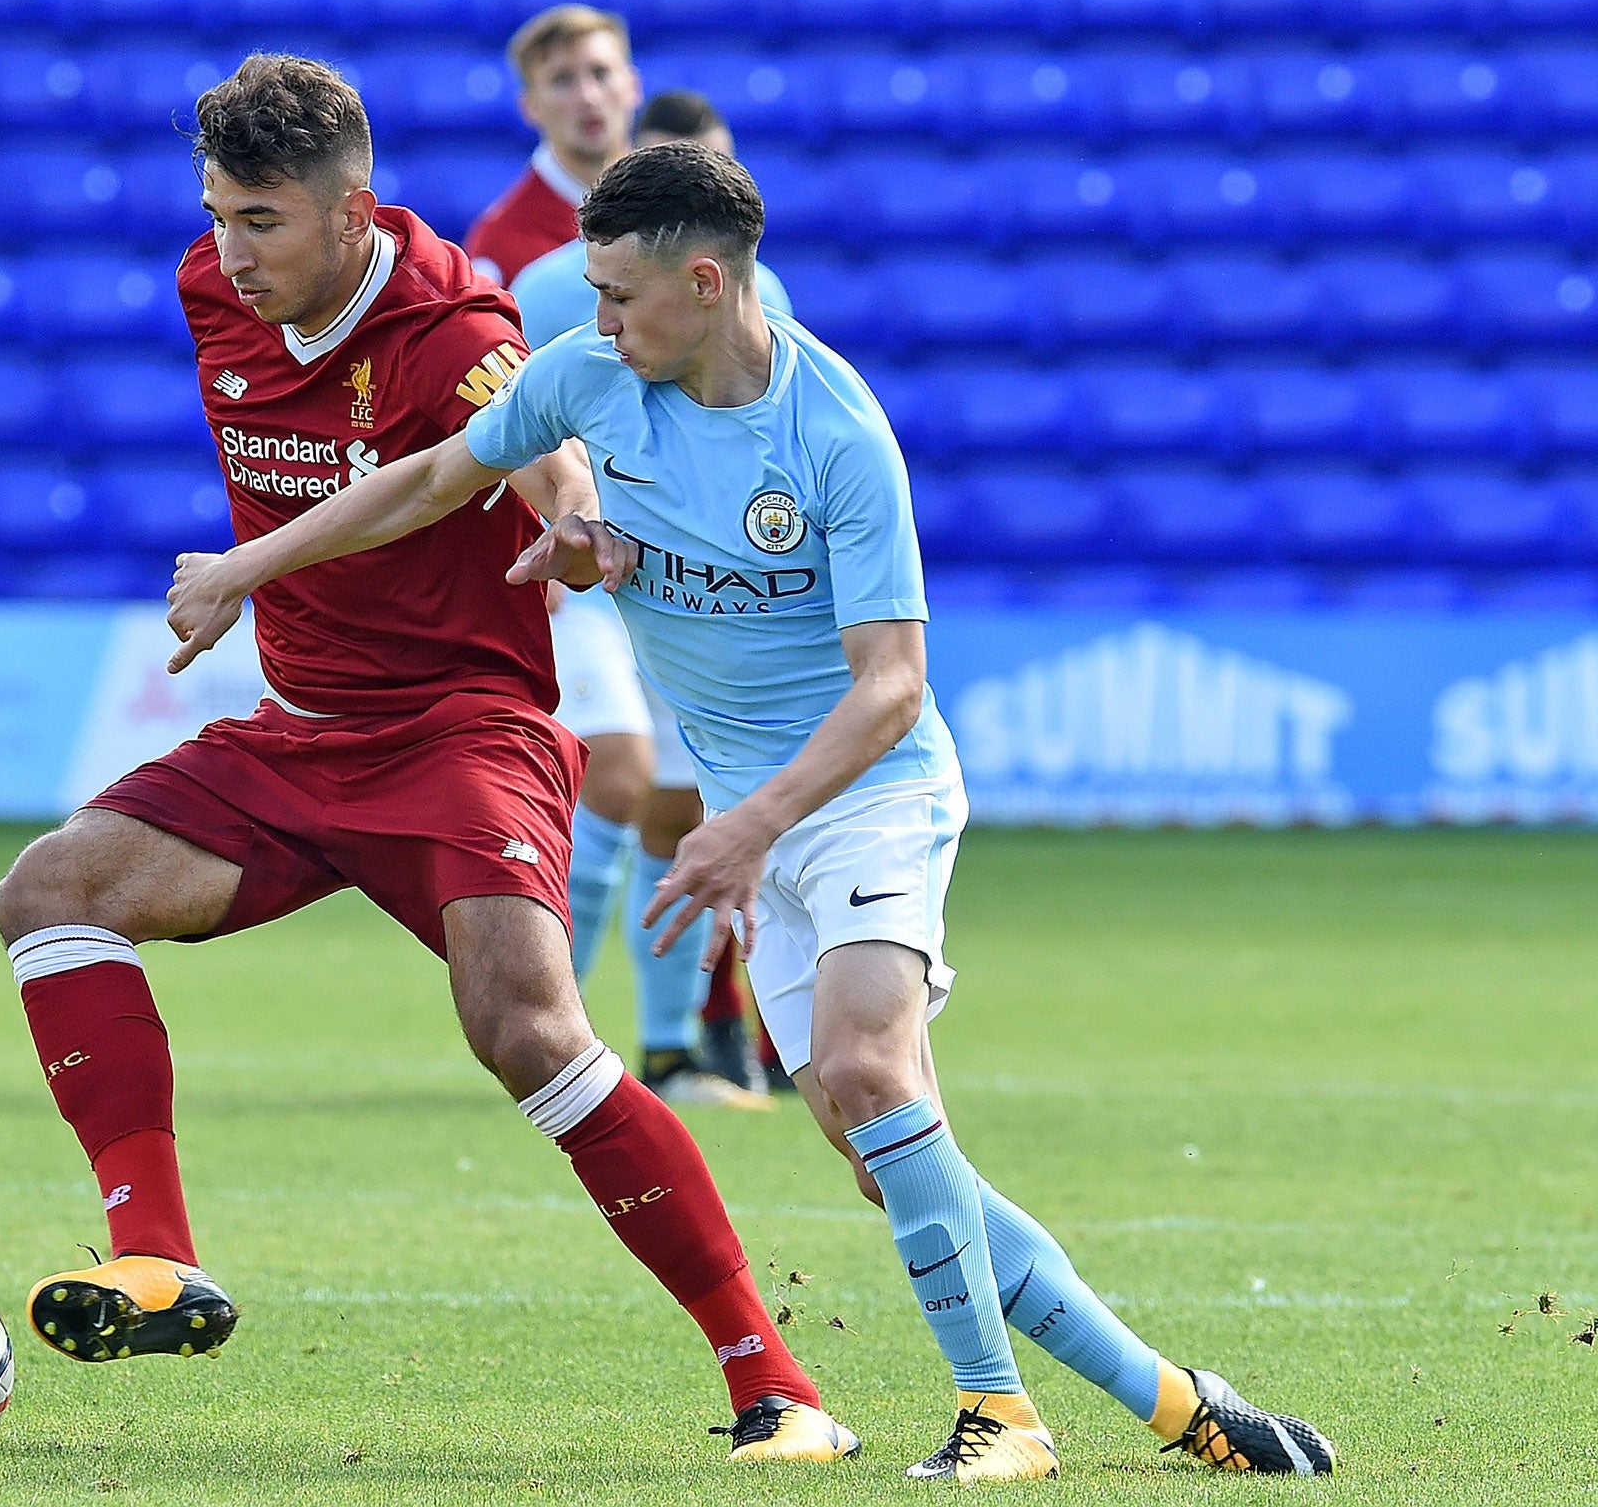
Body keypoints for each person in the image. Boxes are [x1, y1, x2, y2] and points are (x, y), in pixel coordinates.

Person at [163, 140, 1340, 1483]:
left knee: (863, 1074)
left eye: (619, 297)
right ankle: (1182, 1402)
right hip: (750, 819)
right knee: (888, 1158)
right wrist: (267, 563)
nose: (595, 323)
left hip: (863, 797)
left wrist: (750, 824)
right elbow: (431, 479)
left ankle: (1000, 1417)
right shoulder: (591, 383)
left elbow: (892, 692)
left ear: (707, 284)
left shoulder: (836, 433)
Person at [0, 57, 859, 1465]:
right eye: (216, 214)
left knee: (525, 1031)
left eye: (262, 220)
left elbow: (546, 459)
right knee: (49, 893)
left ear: (351, 210)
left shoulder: (452, 324)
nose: (230, 252)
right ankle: (155, 1259)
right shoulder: (211, 297)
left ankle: (776, 1384)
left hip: (467, 732)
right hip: (301, 739)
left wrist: (574, 522)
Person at [512, 88, 791, 1112]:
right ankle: (551, 1021)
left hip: (694, 587)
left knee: (675, 805)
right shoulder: (545, 287)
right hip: (585, 573)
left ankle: (672, 1045)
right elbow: (488, 421)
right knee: (618, 778)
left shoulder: (777, 310)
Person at [463, 4, 639, 288]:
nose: (588, 97)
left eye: (600, 73)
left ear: (633, 86)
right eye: (563, 80)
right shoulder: (500, 246)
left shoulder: (679, 212)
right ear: (529, 107)